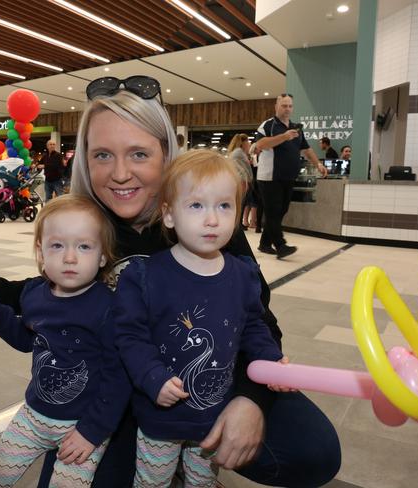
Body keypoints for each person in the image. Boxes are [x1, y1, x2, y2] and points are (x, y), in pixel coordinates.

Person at [0, 77, 340, 488]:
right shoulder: (91, 222)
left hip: (197, 382)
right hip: (115, 395)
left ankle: (191, 454)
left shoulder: (204, 223)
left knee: (312, 450)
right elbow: (57, 282)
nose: (120, 173)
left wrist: (249, 399)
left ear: (166, 155)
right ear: (85, 161)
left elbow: (258, 319)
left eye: (139, 154)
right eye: (102, 155)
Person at [114, 150, 288, 487]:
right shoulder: (146, 276)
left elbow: (253, 325)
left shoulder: (242, 274)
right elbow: (129, 336)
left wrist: (270, 360)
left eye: (224, 206)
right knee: (152, 481)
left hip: (212, 415)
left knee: (203, 481)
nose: (212, 219)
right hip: (160, 417)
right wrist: (152, 376)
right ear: (168, 215)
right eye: (196, 206)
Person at [0, 194, 131, 487]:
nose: (70, 257)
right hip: (34, 416)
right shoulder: (34, 293)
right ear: (41, 253)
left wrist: (92, 432)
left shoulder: (109, 309)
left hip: (82, 426)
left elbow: (118, 378)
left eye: (84, 246)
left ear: (103, 256)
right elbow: (26, 340)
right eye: (57, 245)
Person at [256, 95, 328, 259]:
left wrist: (318, 164)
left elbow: (306, 149)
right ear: (276, 106)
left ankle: (265, 243)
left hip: (288, 177)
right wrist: (284, 137)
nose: (287, 109)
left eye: (290, 106)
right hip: (269, 177)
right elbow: (260, 145)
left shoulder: (296, 128)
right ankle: (281, 246)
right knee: (273, 212)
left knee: (282, 210)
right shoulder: (268, 125)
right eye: (284, 106)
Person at [227, 133, 257, 230]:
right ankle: (237, 225)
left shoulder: (237, 152)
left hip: (241, 180)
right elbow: (246, 167)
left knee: (241, 204)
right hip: (242, 181)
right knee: (241, 204)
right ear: (243, 142)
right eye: (247, 141)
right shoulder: (239, 152)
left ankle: (238, 224)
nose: (249, 143)